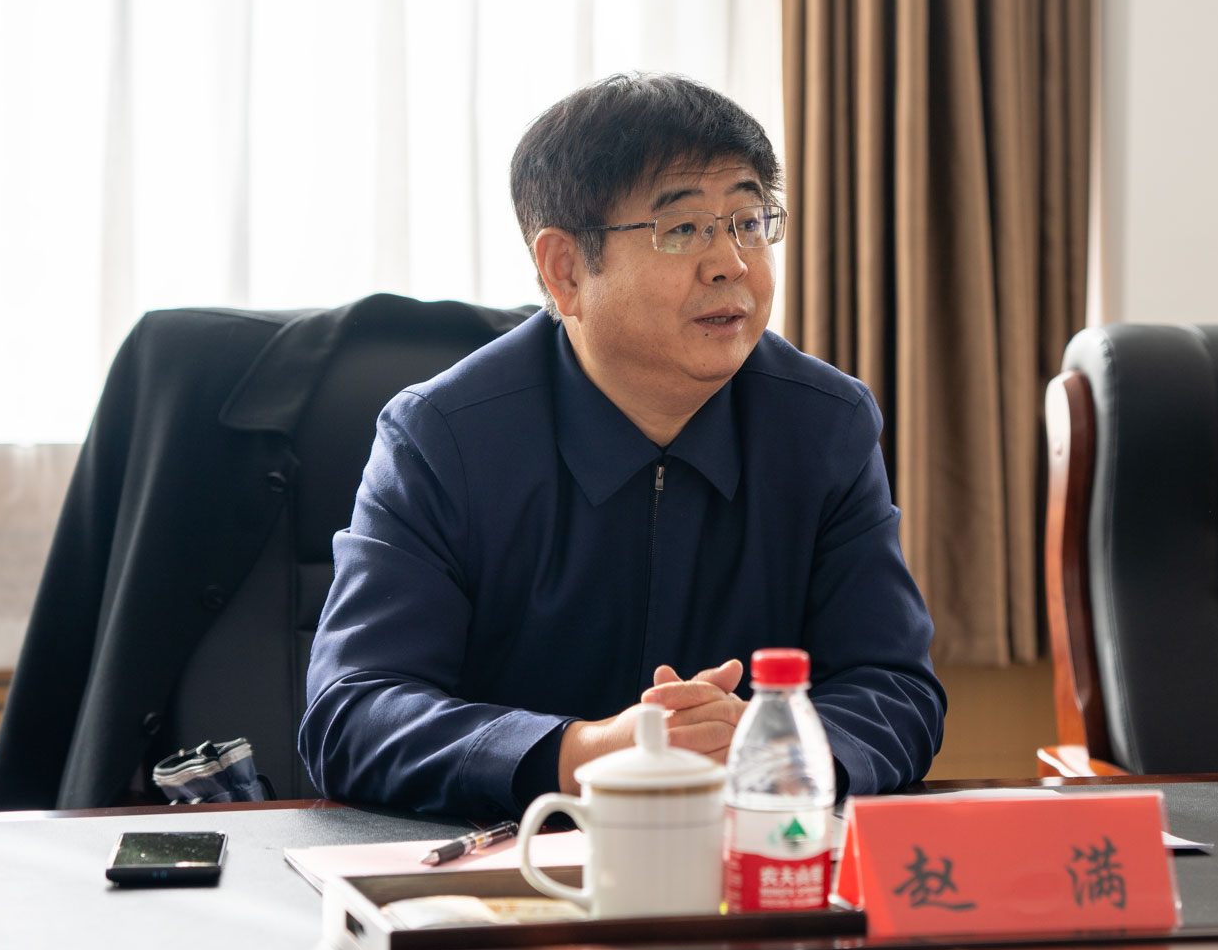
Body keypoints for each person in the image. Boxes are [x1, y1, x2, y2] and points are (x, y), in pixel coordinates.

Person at [299, 73, 946, 820]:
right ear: (565, 270)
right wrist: (587, 753)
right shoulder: (444, 437)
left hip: (749, 858)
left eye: (748, 221)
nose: (731, 262)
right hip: (514, 865)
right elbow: (352, 710)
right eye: (684, 229)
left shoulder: (824, 426)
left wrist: (771, 746)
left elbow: (895, 688)